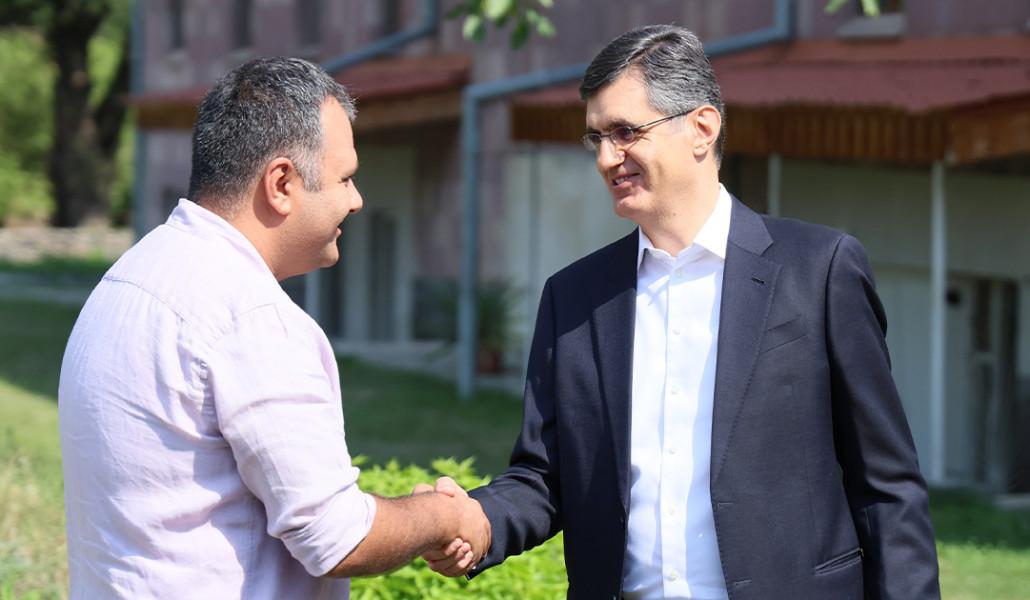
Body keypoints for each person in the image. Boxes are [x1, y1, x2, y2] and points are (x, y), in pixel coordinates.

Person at [421, 25, 940, 599]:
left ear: (702, 128)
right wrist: (477, 522)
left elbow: (887, 486)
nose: (606, 158)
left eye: (625, 132)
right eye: (596, 138)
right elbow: (545, 475)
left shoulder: (819, 270)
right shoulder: (574, 297)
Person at [58, 57, 488, 599]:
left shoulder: (131, 276)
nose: (356, 201)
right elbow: (336, 539)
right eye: (345, 178)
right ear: (281, 183)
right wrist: (443, 517)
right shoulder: (248, 315)